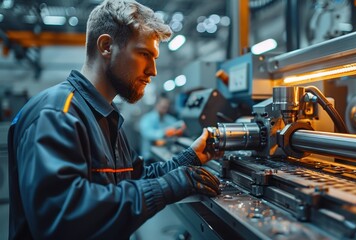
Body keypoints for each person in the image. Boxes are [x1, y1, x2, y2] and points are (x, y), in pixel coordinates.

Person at [7, 0, 221, 239]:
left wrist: (188, 159)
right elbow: (64, 218)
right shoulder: (57, 114)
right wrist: (168, 186)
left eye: (155, 58)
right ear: (107, 46)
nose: (153, 70)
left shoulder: (104, 115)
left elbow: (135, 179)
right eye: (144, 54)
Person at [139, 93, 186, 162]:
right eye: (163, 107)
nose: (165, 109)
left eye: (167, 107)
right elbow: (147, 133)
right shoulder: (147, 119)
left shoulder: (169, 119)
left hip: (165, 154)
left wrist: (181, 128)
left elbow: (178, 125)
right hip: (149, 157)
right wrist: (165, 132)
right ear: (157, 105)